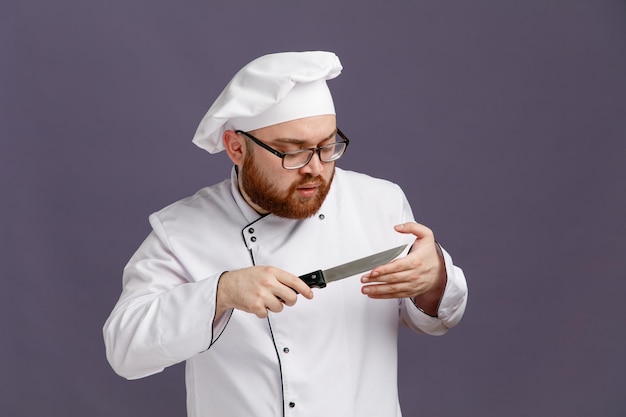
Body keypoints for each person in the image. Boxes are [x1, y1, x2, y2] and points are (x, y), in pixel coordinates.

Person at [103, 51, 468, 417]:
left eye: (327, 147)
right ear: (236, 147)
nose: (315, 168)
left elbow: (437, 320)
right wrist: (221, 292)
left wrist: (434, 275)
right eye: (291, 152)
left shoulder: (380, 203)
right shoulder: (183, 229)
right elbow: (125, 349)